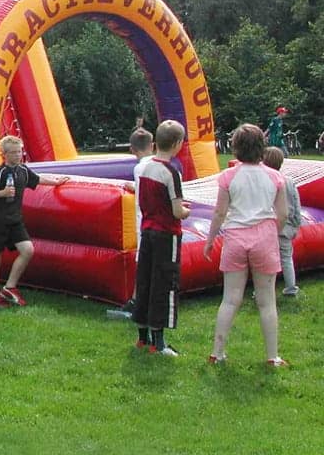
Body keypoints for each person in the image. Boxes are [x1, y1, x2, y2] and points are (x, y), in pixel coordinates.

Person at [203, 124, 288, 367]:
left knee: (230, 299)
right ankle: (272, 356)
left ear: (236, 148)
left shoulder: (228, 176)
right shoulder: (275, 177)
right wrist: (273, 233)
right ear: (262, 146)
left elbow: (220, 212)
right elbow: (283, 214)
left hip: (235, 237)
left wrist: (210, 240)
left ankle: (217, 352)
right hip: (264, 237)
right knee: (267, 301)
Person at [0, 135, 66, 307]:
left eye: (19, 152)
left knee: (27, 250)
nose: (18, 155)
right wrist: (2, 193)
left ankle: (10, 287)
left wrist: (56, 182)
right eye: (13, 152)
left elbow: (37, 179)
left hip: (15, 219)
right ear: (4, 154)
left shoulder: (23, 170)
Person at [131, 120, 191, 356]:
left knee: (144, 280)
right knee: (164, 283)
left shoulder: (144, 168)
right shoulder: (171, 172)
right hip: (167, 234)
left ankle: (142, 337)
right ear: (177, 144)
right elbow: (177, 211)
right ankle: (159, 342)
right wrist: (186, 211)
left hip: (147, 231)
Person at [110, 127, 155, 317]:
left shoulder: (140, 168)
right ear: (152, 146)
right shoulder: (159, 164)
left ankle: (137, 300)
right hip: (156, 222)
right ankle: (140, 299)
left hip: (145, 221)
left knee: (143, 263)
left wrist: (134, 187)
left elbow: (146, 189)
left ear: (132, 149)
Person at [263, 145, 303, 296]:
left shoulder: (264, 181)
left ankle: (263, 289)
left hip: (268, 226)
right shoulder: (289, 181)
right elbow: (296, 203)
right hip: (286, 227)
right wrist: (296, 224)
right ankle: (291, 287)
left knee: (266, 260)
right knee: (286, 258)